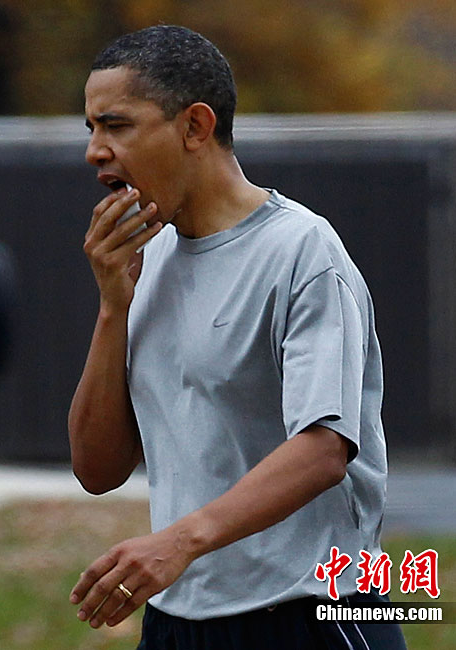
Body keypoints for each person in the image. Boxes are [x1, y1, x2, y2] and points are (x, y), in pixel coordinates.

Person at [68, 25, 407, 650]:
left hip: (316, 614)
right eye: (90, 128)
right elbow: (97, 469)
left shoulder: (302, 252)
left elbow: (325, 448)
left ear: (195, 127)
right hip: (178, 622)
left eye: (115, 125)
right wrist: (112, 308)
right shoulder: (144, 260)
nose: (95, 149)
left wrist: (178, 540)